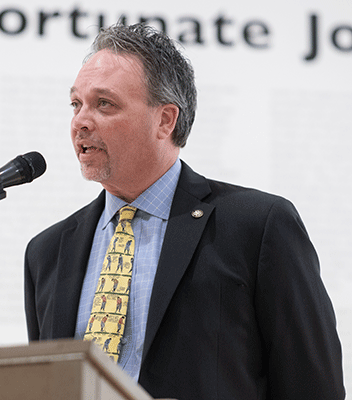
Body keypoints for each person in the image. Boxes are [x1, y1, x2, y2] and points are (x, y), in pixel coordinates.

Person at [24, 23, 345, 399]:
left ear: (165, 120)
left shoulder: (258, 226)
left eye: (104, 104)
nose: (80, 121)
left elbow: (312, 386)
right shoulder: (46, 252)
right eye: (76, 104)